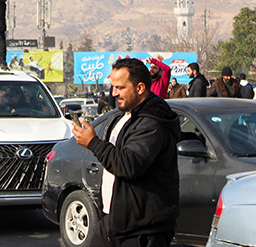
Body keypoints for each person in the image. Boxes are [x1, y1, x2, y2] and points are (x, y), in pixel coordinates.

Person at [71, 58, 180, 247]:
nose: (114, 93)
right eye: (113, 87)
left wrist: (93, 143)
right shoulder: (125, 117)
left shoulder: (151, 123)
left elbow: (129, 165)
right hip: (113, 222)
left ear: (139, 88)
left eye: (120, 88)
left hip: (142, 230)